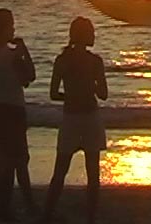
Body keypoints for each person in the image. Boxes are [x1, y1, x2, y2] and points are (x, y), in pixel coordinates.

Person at [43, 16, 108, 224]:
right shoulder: (95, 61)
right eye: (92, 32)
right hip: (90, 116)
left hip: (70, 116)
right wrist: (92, 87)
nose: (94, 35)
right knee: (93, 172)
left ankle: (47, 214)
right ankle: (91, 218)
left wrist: (70, 95)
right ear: (86, 35)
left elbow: (53, 94)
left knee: (60, 170)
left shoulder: (62, 60)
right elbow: (104, 94)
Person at [0, 8, 37, 221]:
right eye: (11, 25)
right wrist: (25, 51)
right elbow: (29, 77)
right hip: (13, 110)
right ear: (4, 28)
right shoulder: (11, 55)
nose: (13, 28)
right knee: (20, 160)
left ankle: (1, 206)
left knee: (4, 160)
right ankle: (28, 204)